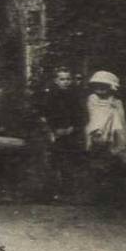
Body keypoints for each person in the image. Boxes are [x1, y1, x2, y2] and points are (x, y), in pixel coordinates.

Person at [32, 66, 85, 200]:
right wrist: (52, 130)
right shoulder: (49, 96)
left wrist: (72, 128)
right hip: (54, 133)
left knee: (69, 162)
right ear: (56, 80)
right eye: (62, 79)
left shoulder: (75, 96)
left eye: (68, 79)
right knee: (53, 162)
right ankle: (51, 192)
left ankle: (68, 191)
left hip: (71, 133)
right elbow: (43, 114)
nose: (65, 82)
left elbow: (81, 115)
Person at [84, 71, 126, 204]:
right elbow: (94, 116)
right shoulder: (92, 99)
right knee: (97, 163)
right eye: (97, 86)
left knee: (114, 163)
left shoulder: (116, 102)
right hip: (97, 135)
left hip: (114, 135)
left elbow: (121, 121)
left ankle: (116, 196)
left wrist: (119, 134)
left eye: (104, 86)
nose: (100, 90)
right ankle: (98, 195)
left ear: (111, 87)